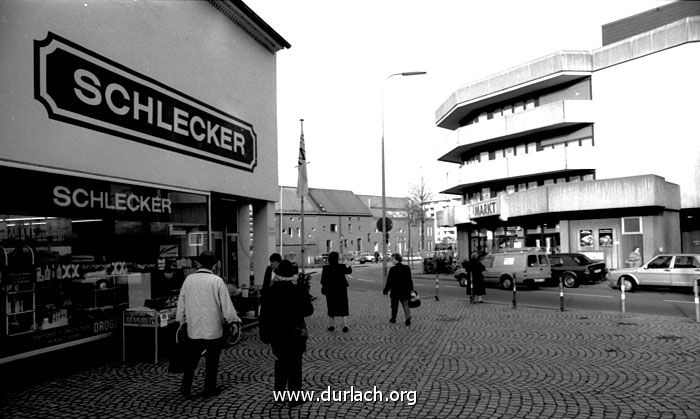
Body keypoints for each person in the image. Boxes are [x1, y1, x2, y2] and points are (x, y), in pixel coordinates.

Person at [176, 251, 241, 398]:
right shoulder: (216, 281)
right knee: (212, 360)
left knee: (191, 360)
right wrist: (233, 321)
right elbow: (226, 305)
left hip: (194, 327)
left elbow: (182, 302)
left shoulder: (189, 280)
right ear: (213, 264)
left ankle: (186, 388)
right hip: (213, 328)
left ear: (199, 263)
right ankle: (209, 388)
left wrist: (181, 321)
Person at [259, 260, 312, 405]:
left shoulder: (270, 289)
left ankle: (279, 393)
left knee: (280, 362)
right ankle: (294, 397)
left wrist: (264, 333)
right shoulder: (297, 289)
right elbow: (308, 310)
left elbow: (264, 313)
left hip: (277, 333)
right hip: (296, 332)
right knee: (295, 365)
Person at [321, 251, 351, 332]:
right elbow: (349, 271)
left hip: (330, 291)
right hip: (341, 290)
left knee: (331, 307)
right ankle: (345, 326)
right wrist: (348, 264)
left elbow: (322, 281)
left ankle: (332, 325)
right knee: (343, 307)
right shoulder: (341, 266)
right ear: (337, 259)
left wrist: (325, 287)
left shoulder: (326, 268)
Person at [383, 253, 414, 326]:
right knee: (405, 304)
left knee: (394, 306)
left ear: (396, 260)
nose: (391, 260)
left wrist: (386, 290)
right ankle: (408, 318)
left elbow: (389, 281)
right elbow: (409, 280)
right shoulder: (406, 268)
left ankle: (393, 319)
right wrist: (411, 289)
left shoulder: (392, 269)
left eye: (392, 259)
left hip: (395, 291)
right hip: (405, 290)